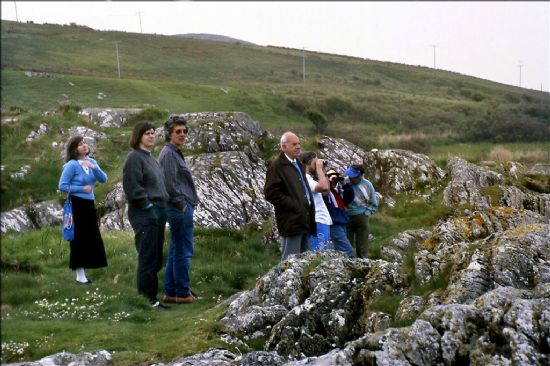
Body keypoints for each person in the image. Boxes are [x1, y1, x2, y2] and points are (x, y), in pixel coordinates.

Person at [122, 121, 170, 310]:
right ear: (138, 136)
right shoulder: (134, 158)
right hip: (145, 213)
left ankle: (153, 297)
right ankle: (146, 300)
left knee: (156, 256)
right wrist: (148, 207)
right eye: (147, 133)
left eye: (153, 133)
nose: (152, 136)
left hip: (160, 210)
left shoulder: (151, 158)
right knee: (147, 256)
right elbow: (133, 188)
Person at [158, 115, 200, 305]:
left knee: (176, 249)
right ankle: (182, 293)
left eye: (184, 131)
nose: (182, 134)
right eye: (178, 131)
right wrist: (183, 205)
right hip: (178, 208)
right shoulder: (168, 154)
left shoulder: (174, 152)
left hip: (179, 207)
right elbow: (169, 184)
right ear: (169, 134)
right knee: (184, 250)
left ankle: (172, 292)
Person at [58, 136, 108, 284]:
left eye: (84, 143)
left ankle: (85, 271)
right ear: (74, 149)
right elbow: (62, 186)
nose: (84, 146)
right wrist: (81, 189)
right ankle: (80, 276)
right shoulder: (71, 165)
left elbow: (103, 179)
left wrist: (95, 167)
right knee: (78, 238)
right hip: (76, 204)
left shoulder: (92, 161)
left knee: (91, 237)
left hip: (88, 204)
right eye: (80, 144)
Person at [264, 131, 316, 261]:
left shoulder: (297, 163)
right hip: (291, 220)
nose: (298, 147)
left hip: (305, 219)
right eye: (294, 144)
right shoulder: (277, 166)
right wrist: (295, 205)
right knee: (289, 261)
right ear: (284, 147)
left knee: (305, 261)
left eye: (299, 143)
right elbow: (271, 193)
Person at [298, 151, 332, 251]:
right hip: (317, 221)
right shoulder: (306, 179)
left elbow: (326, 192)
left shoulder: (311, 179)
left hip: (322, 221)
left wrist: (323, 171)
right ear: (307, 164)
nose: (318, 164)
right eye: (315, 162)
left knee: (322, 253)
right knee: (318, 254)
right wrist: (319, 170)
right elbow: (324, 187)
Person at [344, 164, 378, 258]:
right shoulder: (345, 183)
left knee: (362, 246)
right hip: (347, 217)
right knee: (347, 244)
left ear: (359, 176)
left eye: (352, 177)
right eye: (349, 176)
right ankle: (347, 264)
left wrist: (366, 213)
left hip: (361, 217)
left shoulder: (367, 184)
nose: (350, 178)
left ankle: (363, 266)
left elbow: (373, 202)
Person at [324, 169, 355, 257]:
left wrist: (343, 183)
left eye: (335, 179)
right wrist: (328, 182)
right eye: (331, 177)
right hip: (334, 224)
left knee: (340, 252)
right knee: (348, 251)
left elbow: (349, 198)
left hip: (342, 222)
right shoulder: (325, 193)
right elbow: (325, 201)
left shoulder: (337, 191)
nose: (334, 181)